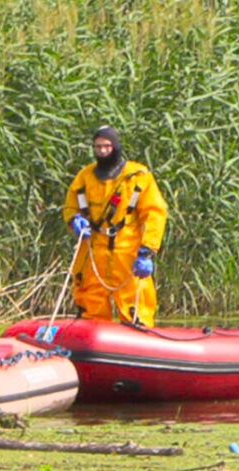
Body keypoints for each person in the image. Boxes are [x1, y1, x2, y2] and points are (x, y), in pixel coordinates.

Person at [63, 125, 168, 328]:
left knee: (135, 299)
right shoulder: (85, 178)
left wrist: (147, 250)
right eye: (98, 147)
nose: (102, 151)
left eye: (107, 146)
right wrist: (75, 219)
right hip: (94, 250)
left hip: (126, 250)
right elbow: (71, 205)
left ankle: (139, 330)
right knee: (90, 297)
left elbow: (154, 213)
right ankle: (90, 338)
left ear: (116, 146)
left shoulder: (137, 176)